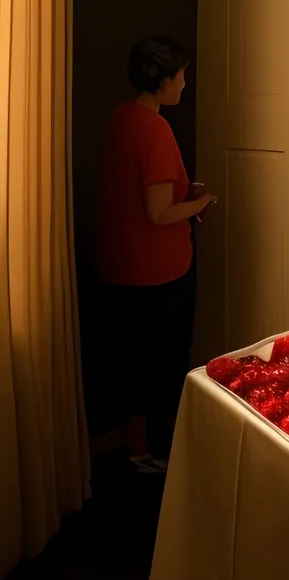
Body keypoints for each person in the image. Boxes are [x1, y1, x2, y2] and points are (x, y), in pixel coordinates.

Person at [95, 37, 216, 472]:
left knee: (131, 361)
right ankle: (156, 453)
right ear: (164, 80)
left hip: (120, 262)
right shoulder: (155, 129)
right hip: (158, 269)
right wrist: (201, 204)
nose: (185, 83)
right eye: (181, 75)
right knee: (160, 361)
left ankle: (137, 447)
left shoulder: (122, 117)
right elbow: (160, 211)